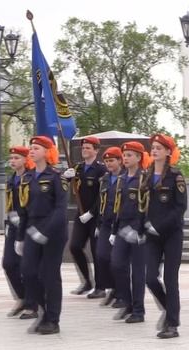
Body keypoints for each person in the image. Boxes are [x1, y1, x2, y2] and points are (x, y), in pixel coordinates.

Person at [18, 136, 68, 335]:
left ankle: (52, 319)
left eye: (37, 148)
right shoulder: (27, 178)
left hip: (53, 232)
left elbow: (60, 209)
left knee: (50, 275)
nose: (32, 151)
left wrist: (44, 231)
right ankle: (43, 311)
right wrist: (20, 237)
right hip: (32, 229)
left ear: (47, 152)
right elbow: (23, 209)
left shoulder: (57, 176)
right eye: (31, 148)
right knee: (28, 272)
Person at [142, 134, 186, 339]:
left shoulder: (176, 177)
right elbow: (141, 205)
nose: (155, 150)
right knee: (150, 277)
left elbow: (180, 208)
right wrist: (143, 225)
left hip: (171, 234)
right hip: (151, 235)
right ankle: (168, 309)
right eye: (153, 147)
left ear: (169, 152)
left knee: (170, 279)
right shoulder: (147, 175)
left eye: (160, 147)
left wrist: (158, 226)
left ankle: (172, 324)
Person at [110, 141, 149, 324]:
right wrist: (113, 229)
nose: (125, 158)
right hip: (122, 227)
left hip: (138, 228)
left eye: (129, 155)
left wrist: (141, 230)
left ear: (139, 157)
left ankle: (138, 310)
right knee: (117, 265)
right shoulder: (121, 179)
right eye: (124, 155)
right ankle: (127, 303)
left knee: (138, 271)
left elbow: (148, 207)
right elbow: (117, 207)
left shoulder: (145, 178)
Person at [63, 137, 107, 297]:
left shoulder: (101, 170)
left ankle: (101, 287)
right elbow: (64, 185)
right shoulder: (78, 168)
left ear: (96, 150)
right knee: (74, 247)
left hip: (95, 216)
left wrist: (92, 213)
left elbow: (102, 195)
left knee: (97, 252)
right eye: (83, 148)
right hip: (80, 215)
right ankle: (87, 281)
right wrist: (66, 177)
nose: (85, 150)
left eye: (88, 148)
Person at [4, 146, 38, 319]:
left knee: (28, 267)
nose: (13, 161)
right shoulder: (11, 180)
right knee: (8, 263)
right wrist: (10, 218)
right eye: (11, 158)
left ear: (26, 159)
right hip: (14, 225)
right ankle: (22, 296)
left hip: (29, 225)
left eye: (17, 158)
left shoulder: (31, 177)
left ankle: (33, 304)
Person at [94, 147, 124, 307]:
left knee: (116, 261)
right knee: (101, 256)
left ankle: (121, 293)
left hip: (119, 223)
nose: (108, 164)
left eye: (112, 160)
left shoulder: (125, 178)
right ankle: (112, 287)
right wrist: (98, 223)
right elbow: (101, 201)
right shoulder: (104, 179)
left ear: (120, 161)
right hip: (106, 223)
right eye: (106, 161)